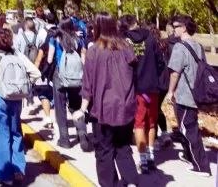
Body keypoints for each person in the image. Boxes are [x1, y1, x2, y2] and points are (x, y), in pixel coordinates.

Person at [77, 12, 138, 187]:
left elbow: (87, 85)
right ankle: (131, 181)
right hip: (125, 107)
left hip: (102, 110)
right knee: (123, 148)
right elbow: (134, 75)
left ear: (97, 26)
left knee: (104, 152)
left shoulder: (94, 51)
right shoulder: (126, 47)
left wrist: (82, 109)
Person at [0, 28, 41, 185]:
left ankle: (5, 174)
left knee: (1, 135)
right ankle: (18, 169)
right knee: (16, 132)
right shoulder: (18, 56)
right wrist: (24, 86)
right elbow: (36, 73)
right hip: (16, 98)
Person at [165, 15, 212, 177]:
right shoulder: (198, 46)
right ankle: (190, 157)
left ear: (184, 28)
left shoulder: (179, 47)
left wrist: (170, 92)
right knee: (190, 127)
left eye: (176, 26)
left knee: (189, 130)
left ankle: (201, 166)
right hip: (197, 93)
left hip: (184, 95)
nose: (173, 29)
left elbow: (174, 73)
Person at [119, 15, 166, 173]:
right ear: (136, 24)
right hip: (152, 87)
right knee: (151, 122)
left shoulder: (124, 41)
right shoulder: (151, 38)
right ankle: (151, 156)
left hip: (135, 88)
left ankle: (143, 159)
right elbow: (160, 62)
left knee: (139, 124)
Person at [47, 18, 91, 151]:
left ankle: (64, 139)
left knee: (60, 108)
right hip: (76, 77)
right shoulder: (79, 39)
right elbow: (84, 59)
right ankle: (82, 133)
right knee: (76, 105)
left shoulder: (55, 39)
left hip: (60, 75)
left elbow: (49, 59)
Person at [33, 12, 58, 128]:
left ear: (46, 21)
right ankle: (59, 119)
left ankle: (48, 117)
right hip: (58, 66)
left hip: (46, 66)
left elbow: (39, 48)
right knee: (57, 93)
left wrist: (35, 70)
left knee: (44, 92)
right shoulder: (60, 31)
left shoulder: (43, 32)